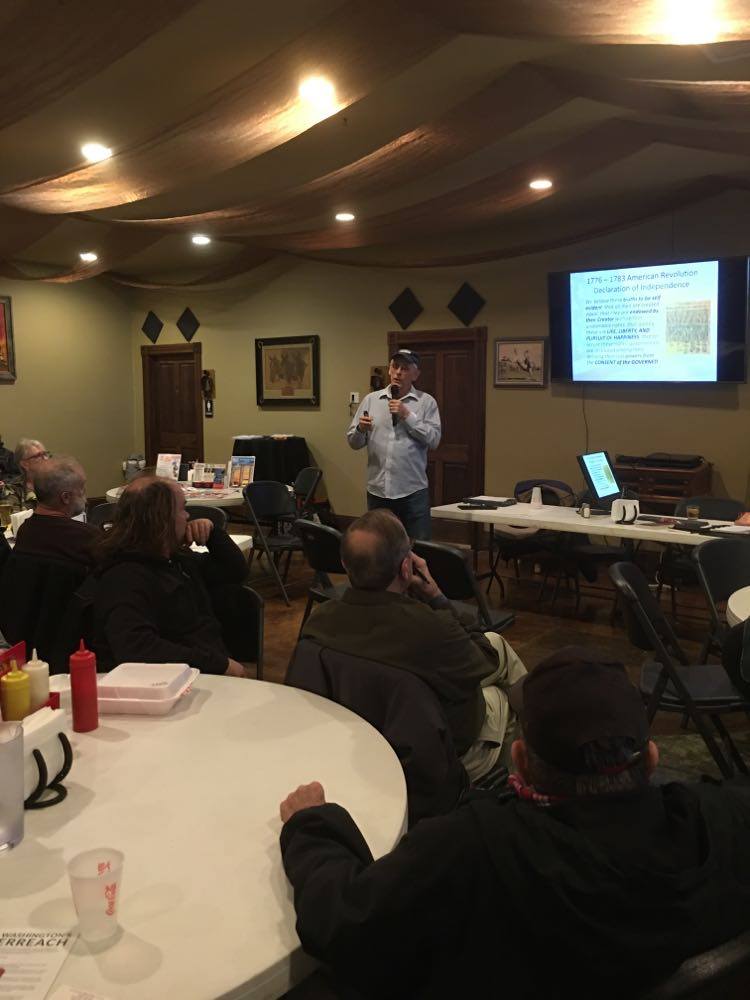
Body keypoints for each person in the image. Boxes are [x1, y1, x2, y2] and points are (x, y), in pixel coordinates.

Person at [279, 647, 750, 999]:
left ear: (519, 760)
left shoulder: (469, 848)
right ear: (650, 760)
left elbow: (342, 926)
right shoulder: (724, 821)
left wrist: (313, 827)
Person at [301, 509, 526, 779]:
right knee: (506, 696)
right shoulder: (432, 629)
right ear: (406, 568)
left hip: (360, 738)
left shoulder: (319, 621)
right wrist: (438, 597)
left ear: (345, 564)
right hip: (438, 757)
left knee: (496, 645)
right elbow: (482, 660)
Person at [91, 475, 251, 677]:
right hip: (178, 683)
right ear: (162, 518)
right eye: (183, 509)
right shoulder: (124, 577)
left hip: (207, 670)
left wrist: (213, 532)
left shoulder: (176, 560)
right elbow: (136, 648)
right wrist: (218, 664)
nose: (187, 516)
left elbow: (235, 571)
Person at [347, 349, 440, 540]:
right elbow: (353, 443)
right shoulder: (371, 400)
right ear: (389, 370)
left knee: (419, 549)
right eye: (395, 367)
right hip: (378, 491)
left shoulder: (426, 403)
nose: (398, 372)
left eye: (405, 368)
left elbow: (434, 440)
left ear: (415, 374)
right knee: (380, 550)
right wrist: (360, 431)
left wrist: (407, 415)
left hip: (412, 493)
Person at [14, 456, 99, 567]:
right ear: (66, 497)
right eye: (82, 487)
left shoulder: (24, 531)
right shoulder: (87, 537)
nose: (85, 493)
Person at [3, 438, 49, 509]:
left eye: (45, 454)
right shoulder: (13, 488)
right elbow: (15, 517)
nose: (45, 459)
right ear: (25, 464)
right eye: (38, 456)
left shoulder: (57, 482)